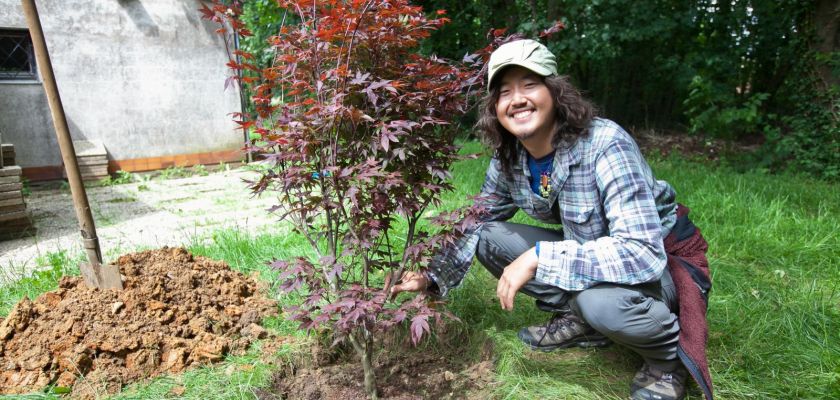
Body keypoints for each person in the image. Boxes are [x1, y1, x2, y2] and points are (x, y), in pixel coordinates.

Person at [390, 39, 714, 400]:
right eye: (505, 92)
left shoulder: (606, 143)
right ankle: (585, 324)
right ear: (494, 107)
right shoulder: (509, 156)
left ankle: (664, 360)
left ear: (556, 91)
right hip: (592, 252)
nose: (517, 99)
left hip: (660, 262)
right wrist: (430, 274)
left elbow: (641, 251)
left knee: (601, 304)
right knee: (488, 236)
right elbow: (478, 219)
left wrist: (541, 256)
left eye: (530, 85)